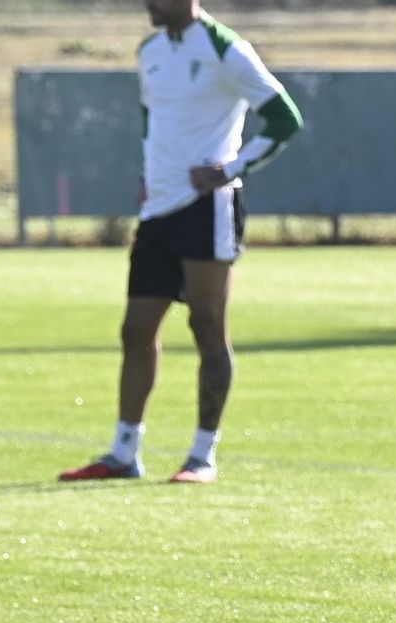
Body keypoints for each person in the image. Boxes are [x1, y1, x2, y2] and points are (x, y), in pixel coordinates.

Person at [59, 0, 303, 484]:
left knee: (207, 325)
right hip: (159, 210)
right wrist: (151, 176)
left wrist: (231, 168)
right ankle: (124, 453)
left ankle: (201, 456)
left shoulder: (226, 49)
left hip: (208, 208)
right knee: (135, 330)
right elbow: (153, 120)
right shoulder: (150, 49)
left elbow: (284, 119)